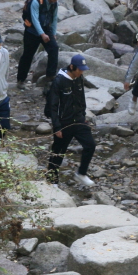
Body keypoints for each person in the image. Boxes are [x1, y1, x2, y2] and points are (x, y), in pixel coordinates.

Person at [46, 54, 96, 187]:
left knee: (90, 145)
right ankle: (52, 180)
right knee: (58, 152)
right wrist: (57, 126)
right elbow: (53, 106)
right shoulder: (59, 81)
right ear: (72, 67)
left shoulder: (79, 78)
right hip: (64, 123)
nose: (81, 72)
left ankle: (81, 173)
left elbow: (82, 98)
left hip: (78, 120)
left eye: (83, 70)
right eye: (79, 69)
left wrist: (83, 116)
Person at [16, 0, 61, 92]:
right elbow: (34, 19)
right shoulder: (36, 2)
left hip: (46, 29)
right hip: (32, 31)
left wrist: (53, 33)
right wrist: (42, 34)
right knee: (28, 55)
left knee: (54, 48)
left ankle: (50, 76)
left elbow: (54, 19)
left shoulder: (54, 4)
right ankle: (21, 80)